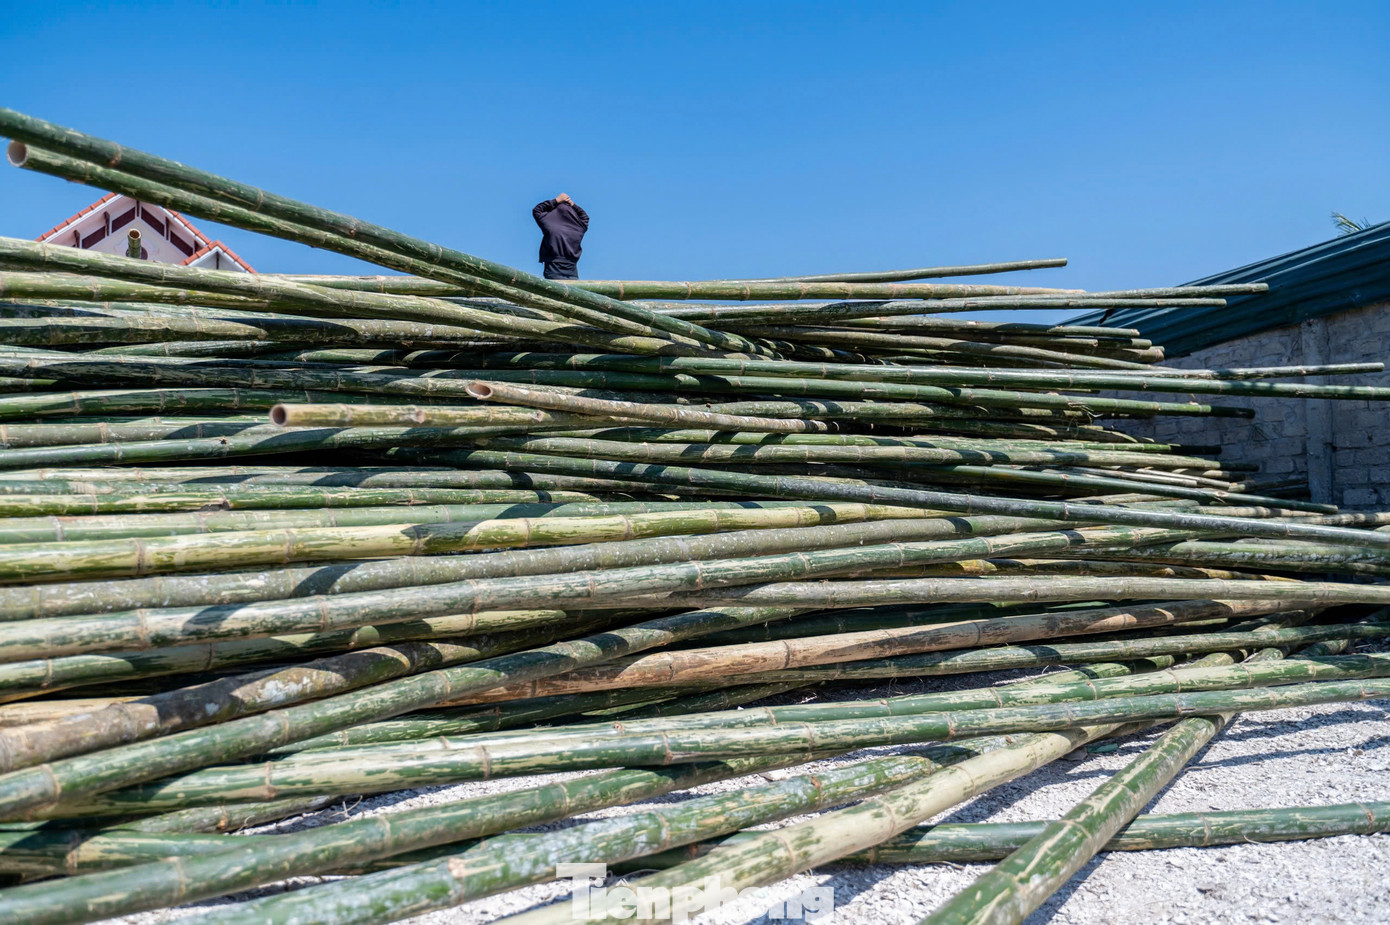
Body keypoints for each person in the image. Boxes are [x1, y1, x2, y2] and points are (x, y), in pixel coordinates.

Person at [532, 193, 589, 280]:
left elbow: (537, 210)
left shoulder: (549, 223)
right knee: (572, 292)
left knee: (553, 291)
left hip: (553, 267)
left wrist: (556, 200)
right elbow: (584, 216)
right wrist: (572, 204)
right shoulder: (579, 226)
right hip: (572, 270)